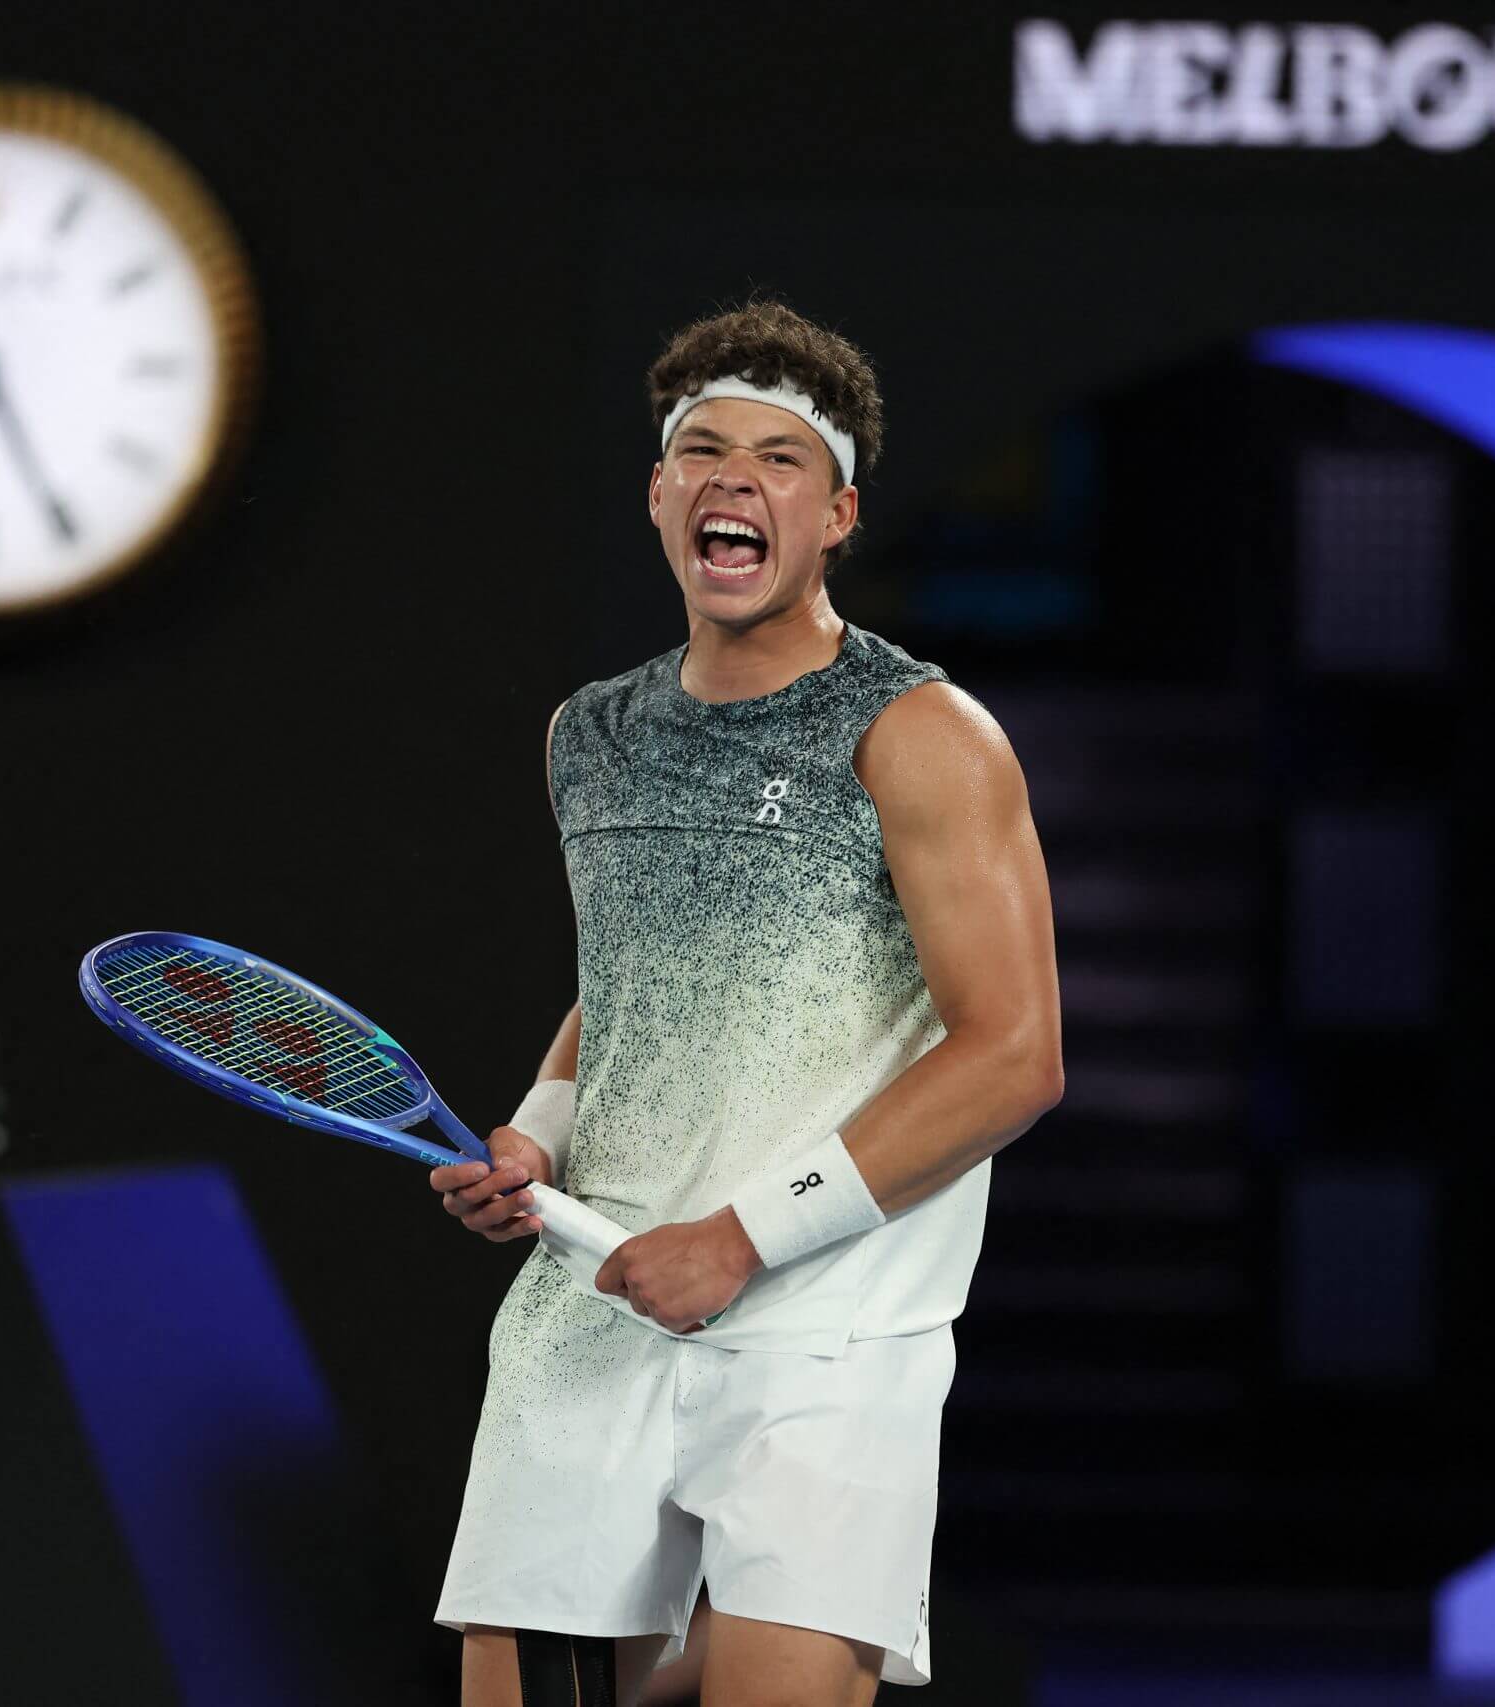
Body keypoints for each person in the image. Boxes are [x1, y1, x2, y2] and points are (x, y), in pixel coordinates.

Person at [427, 300, 1064, 1707]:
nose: (735, 479)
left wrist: (739, 1237)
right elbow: (631, 979)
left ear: (837, 515)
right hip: (597, 1300)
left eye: (781, 459)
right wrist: (537, 1132)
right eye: (704, 451)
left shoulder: (923, 734)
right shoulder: (590, 732)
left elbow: (1014, 1056)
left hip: (825, 1332)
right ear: (660, 493)